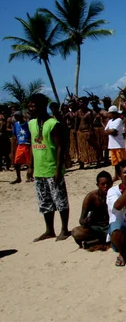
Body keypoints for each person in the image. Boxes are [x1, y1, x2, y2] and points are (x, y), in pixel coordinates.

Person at [27, 93, 70, 242]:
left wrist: (58, 169)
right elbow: (33, 146)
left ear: (41, 106)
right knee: (44, 201)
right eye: (29, 105)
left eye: (33, 106)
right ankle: (49, 230)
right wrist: (30, 167)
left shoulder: (53, 124)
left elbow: (59, 147)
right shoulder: (31, 123)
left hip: (52, 168)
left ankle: (64, 229)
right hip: (39, 169)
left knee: (60, 200)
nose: (30, 108)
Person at [72, 171, 113, 248]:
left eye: (108, 184)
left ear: (111, 184)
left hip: (111, 226)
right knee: (76, 232)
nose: (106, 186)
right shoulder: (91, 197)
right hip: (96, 228)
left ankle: (96, 242)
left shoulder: (116, 195)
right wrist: (85, 222)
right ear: (97, 185)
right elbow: (81, 219)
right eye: (102, 184)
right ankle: (102, 240)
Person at [10, 111, 33, 184]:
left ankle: (29, 176)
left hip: (27, 144)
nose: (16, 118)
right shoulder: (16, 124)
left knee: (29, 162)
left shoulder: (27, 124)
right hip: (20, 144)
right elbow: (15, 134)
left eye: (17, 116)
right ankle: (18, 177)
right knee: (17, 162)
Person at [104, 106, 126, 179]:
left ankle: (123, 174)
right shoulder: (110, 121)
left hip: (118, 144)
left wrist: (110, 131)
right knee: (115, 162)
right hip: (112, 144)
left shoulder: (119, 120)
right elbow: (105, 131)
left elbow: (114, 131)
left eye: (110, 113)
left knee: (121, 161)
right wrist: (110, 131)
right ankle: (116, 175)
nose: (109, 115)